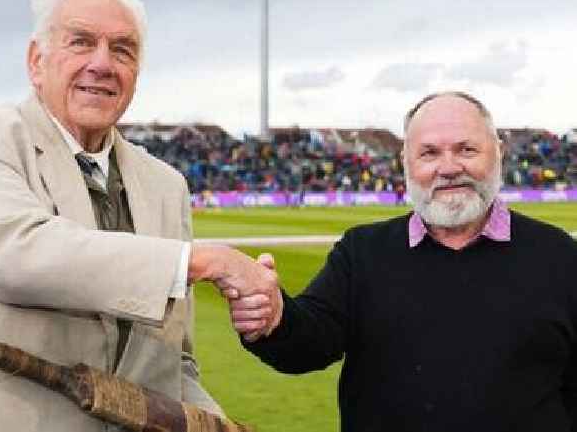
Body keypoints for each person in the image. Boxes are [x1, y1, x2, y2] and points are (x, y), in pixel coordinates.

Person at [0, 0, 279, 431]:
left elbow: (171, 365)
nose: (103, 64)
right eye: (81, 42)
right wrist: (200, 262)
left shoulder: (166, 186)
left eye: (122, 50)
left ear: (136, 74)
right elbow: (14, 254)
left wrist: (215, 424)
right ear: (36, 60)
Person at [233, 91, 577, 431]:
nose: (449, 167)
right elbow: (308, 345)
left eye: (466, 149)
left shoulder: (562, 258)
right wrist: (274, 319)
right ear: (406, 162)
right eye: (429, 153)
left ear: (498, 153)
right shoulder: (361, 253)